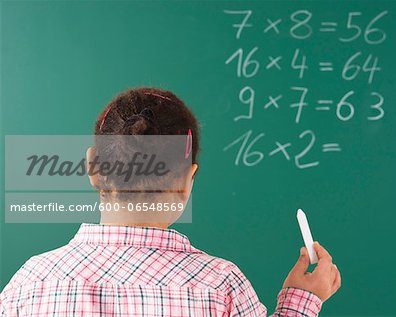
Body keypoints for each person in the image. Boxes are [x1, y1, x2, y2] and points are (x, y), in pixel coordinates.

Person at [0, 87, 341, 316]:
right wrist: (302, 301)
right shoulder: (219, 285)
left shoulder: (28, 285)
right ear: (187, 180)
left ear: (93, 167)